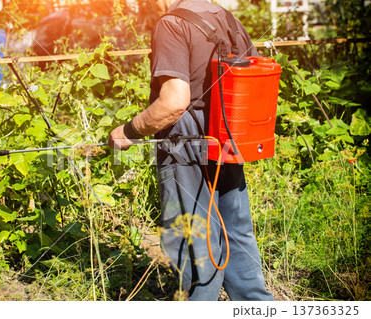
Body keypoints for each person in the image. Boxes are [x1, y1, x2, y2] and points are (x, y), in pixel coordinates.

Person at [108, 0, 274, 301]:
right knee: (236, 232)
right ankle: (256, 305)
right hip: (228, 134)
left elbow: (174, 102)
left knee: (193, 236)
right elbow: (253, 81)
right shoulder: (229, 20)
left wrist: (128, 132)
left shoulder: (171, 23)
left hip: (184, 140)